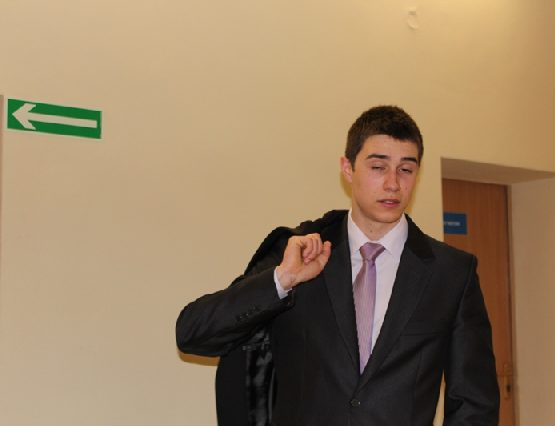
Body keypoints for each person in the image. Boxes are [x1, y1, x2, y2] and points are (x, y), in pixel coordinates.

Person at [176, 106, 500, 426]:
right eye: (378, 167)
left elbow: (474, 403)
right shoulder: (298, 251)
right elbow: (192, 334)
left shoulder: (451, 273)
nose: (393, 184)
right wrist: (282, 280)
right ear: (348, 168)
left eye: (405, 169)